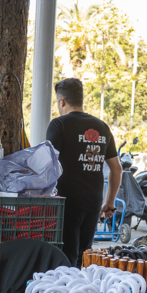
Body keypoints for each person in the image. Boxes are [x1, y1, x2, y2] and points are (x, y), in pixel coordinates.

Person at [45, 78, 121, 267]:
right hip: (93, 203)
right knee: (84, 257)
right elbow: (116, 168)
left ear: (61, 101)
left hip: (66, 203)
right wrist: (109, 202)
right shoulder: (102, 127)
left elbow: (47, 163)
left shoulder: (58, 125)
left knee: (65, 258)